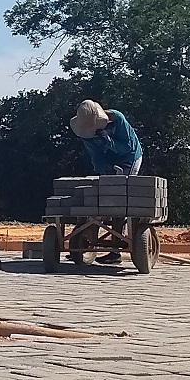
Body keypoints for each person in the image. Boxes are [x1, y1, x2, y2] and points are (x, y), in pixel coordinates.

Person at [69, 100, 143, 263]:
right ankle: (87, 243)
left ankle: (116, 251)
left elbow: (128, 148)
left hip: (129, 159)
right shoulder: (85, 134)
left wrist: (108, 141)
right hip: (109, 161)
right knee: (98, 199)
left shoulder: (118, 120)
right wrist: (105, 170)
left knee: (118, 201)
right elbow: (96, 156)